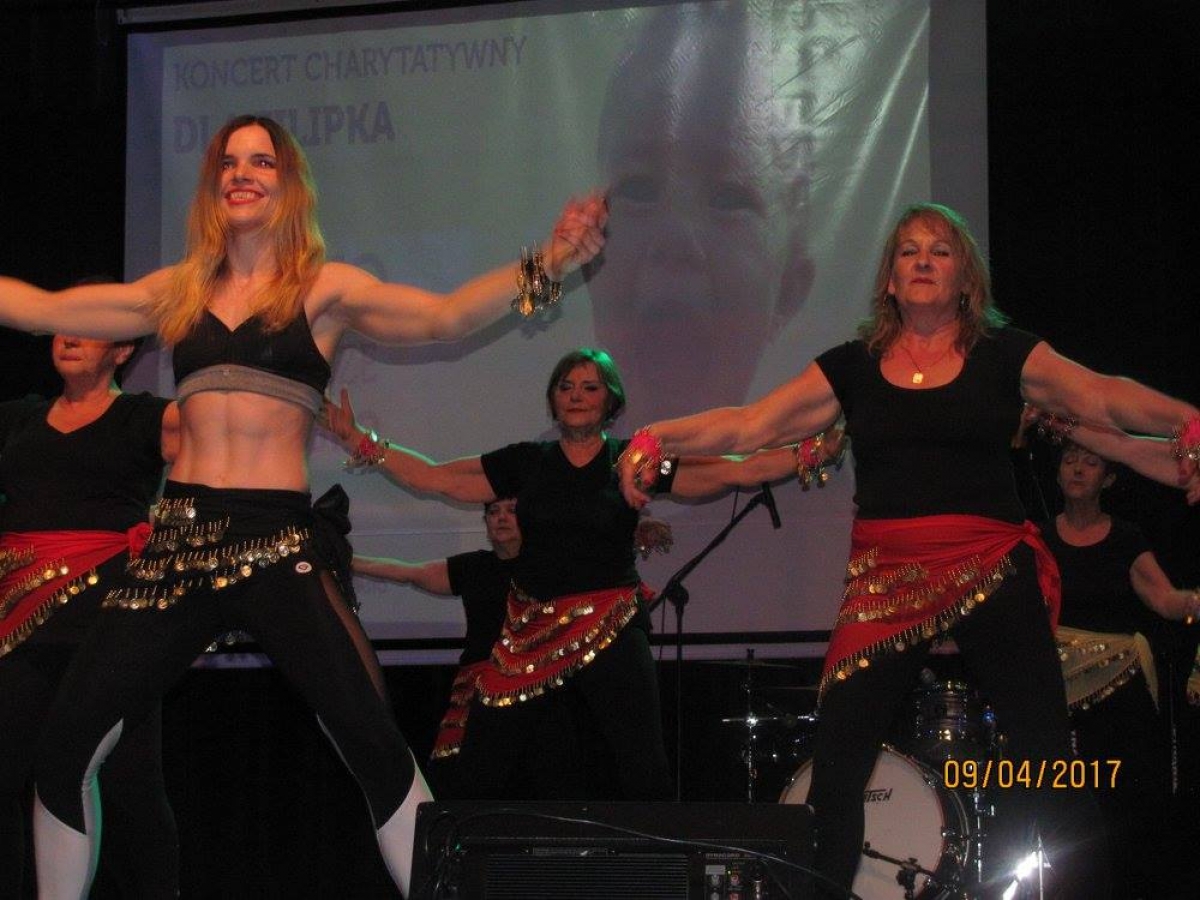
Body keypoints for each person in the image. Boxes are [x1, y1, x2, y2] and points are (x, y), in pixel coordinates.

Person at [0, 113, 606, 898]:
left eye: (261, 162)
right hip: (180, 546)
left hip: (273, 543)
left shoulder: (323, 288)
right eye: (230, 162)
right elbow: (43, 308)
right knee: (65, 747)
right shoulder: (179, 292)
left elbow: (446, 316)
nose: (242, 173)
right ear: (214, 185)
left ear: (287, 184)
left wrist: (552, 261)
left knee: (373, 746)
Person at [617, 203, 1200, 899]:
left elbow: (1100, 397)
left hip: (990, 564)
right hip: (885, 578)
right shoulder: (852, 367)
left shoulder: (1006, 354)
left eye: (941, 251)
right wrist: (658, 436)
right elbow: (751, 425)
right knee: (837, 764)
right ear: (890, 280)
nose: (924, 260)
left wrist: (1185, 421)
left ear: (965, 279)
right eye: (909, 250)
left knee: (1046, 761)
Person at [324, 347, 825, 801]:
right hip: (531, 633)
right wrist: (362, 441)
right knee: (480, 768)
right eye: (566, 387)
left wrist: (804, 453)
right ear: (553, 401)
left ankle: (655, 863)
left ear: (611, 401)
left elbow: (730, 470)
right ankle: (460, 861)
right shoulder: (527, 462)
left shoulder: (631, 461)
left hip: (611, 625)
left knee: (643, 765)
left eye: (590, 387)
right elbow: (439, 477)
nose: (577, 396)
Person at [0, 332, 180, 899]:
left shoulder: (148, 417)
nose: (70, 336)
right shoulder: (16, 419)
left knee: (131, 785)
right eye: (62, 325)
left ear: (123, 351)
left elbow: (229, 443)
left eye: (88, 327)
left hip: (113, 628)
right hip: (20, 627)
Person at [584, 3, 816, 423]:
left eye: (728, 198)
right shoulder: (542, 464)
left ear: (787, 290)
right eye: (639, 190)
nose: (675, 239)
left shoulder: (813, 463)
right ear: (588, 263)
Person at [1038, 440, 1200, 898]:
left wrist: (1194, 602)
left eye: (1091, 462)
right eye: (1070, 461)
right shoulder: (1039, 539)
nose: (1077, 469)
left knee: (1124, 814)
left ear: (1108, 479)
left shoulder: (1126, 538)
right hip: (1057, 696)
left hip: (1120, 699)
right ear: (1057, 474)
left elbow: (1165, 599)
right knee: (1067, 814)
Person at [353, 496, 521, 795]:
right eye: (493, 512)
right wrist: (348, 560)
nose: (501, 518)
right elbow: (409, 572)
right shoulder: (474, 567)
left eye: (511, 511)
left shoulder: (548, 566)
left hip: (531, 683)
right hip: (478, 686)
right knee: (462, 771)